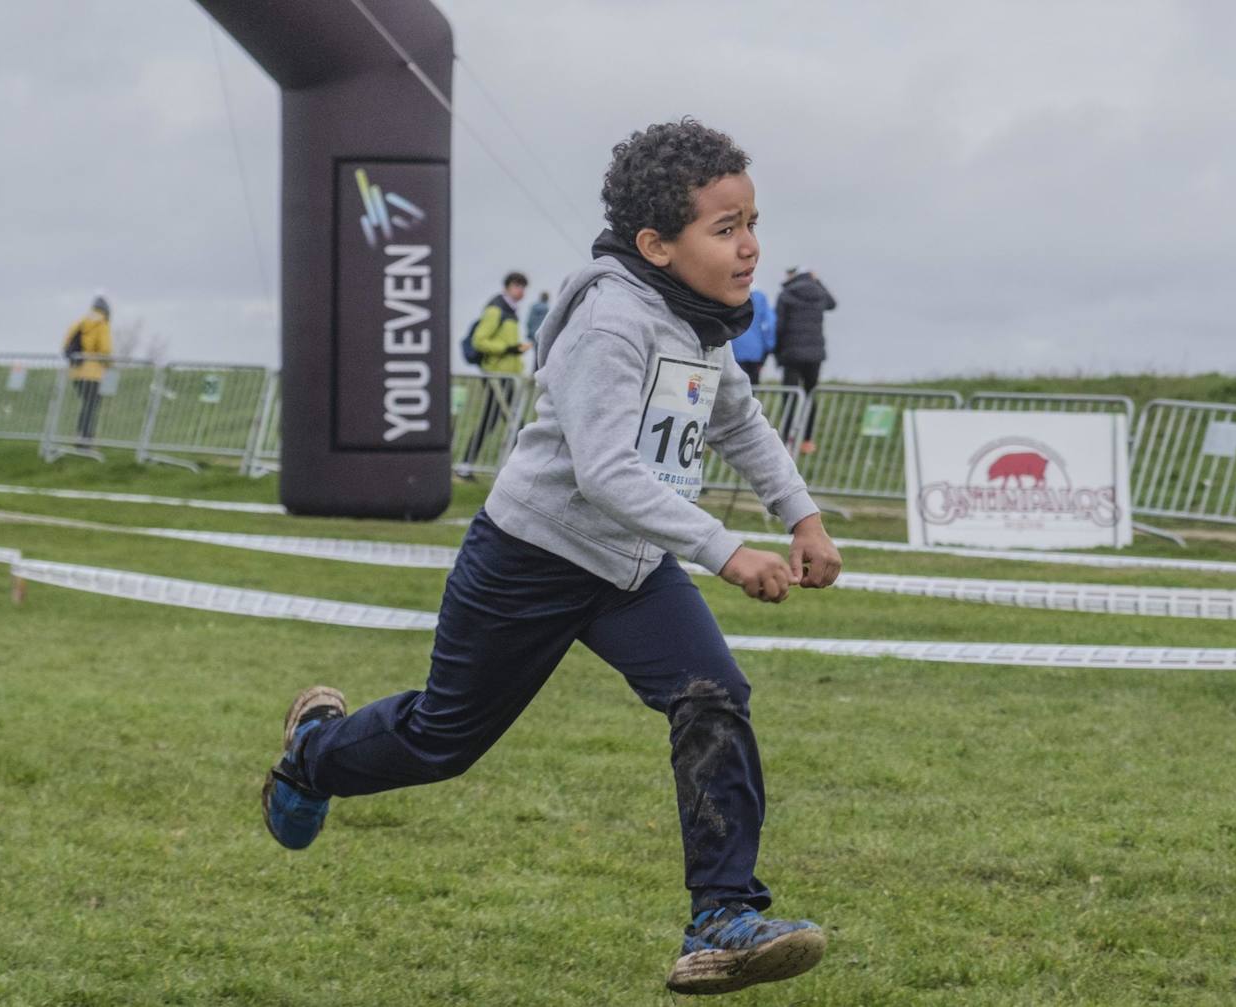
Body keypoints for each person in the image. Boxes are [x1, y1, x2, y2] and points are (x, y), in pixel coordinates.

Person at [262, 118, 843, 996]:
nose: (751, 246)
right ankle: (314, 753)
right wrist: (728, 552)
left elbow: (735, 420)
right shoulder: (612, 321)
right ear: (655, 243)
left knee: (713, 694)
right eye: (725, 230)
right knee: (441, 740)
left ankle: (723, 917)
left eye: (752, 222)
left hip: (633, 567)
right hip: (530, 559)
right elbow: (608, 472)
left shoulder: (705, 322)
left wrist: (802, 517)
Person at [460, 271, 532, 471]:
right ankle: (523, 468)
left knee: (489, 422)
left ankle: (466, 465)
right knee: (516, 421)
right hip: (495, 375)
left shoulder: (512, 311)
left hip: (508, 376)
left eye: (523, 287)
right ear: (507, 287)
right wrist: (507, 349)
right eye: (517, 286)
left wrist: (516, 352)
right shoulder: (496, 309)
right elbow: (480, 340)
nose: (521, 291)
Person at [774, 267, 835, 452]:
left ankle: (787, 438)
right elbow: (832, 304)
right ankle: (807, 440)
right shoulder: (818, 292)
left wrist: (777, 353)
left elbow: (780, 326)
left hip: (792, 353)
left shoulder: (785, 294)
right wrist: (818, 281)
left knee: (790, 395)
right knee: (810, 395)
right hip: (814, 354)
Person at [62, 295, 112, 441]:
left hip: (76, 372)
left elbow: (66, 344)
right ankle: (86, 437)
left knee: (86, 404)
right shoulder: (102, 324)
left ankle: (80, 434)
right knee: (91, 406)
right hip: (93, 373)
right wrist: (109, 365)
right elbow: (105, 349)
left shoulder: (80, 322)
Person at [730, 285, 775, 384]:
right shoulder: (760, 298)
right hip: (756, 352)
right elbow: (769, 325)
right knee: (752, 389)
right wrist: (769, 347)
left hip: (734, 350)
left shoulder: (731, 294)